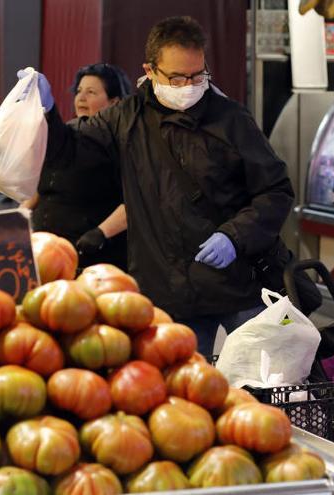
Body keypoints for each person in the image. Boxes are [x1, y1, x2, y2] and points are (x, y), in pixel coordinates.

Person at [36, 16, 295, 357]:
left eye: (197, 75)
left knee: (267, 383)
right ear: (150, 69)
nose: (188, 84)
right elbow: (69, 152)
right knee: (186, 393)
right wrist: (47, 111)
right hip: (168, 293)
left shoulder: (232, 119)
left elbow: (276, 190)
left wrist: (235, 236)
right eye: (176, 77)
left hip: (240, 285)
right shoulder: (124, 119)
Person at [25, 63, 132, 270]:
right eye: (79, 91)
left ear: (114, 102)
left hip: (93, 259)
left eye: (91, 92)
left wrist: (100, 233)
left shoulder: (125, 144)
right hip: (44, 252)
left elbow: (136, 199)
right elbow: (45, 183)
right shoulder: (66, 134)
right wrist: (19, 216)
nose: (81, 98)